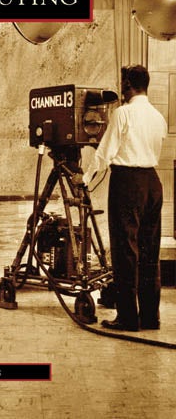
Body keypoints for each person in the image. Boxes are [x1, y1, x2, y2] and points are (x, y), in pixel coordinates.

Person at [81, 65, 167, 331]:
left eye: (122, 82)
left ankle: (128, 318)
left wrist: (84, 178)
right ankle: (150, 317)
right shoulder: (158, 116)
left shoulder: (123, 113)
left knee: (125, 251)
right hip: (152, 183)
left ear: (128, 84)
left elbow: (105, 152)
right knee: (149, 251)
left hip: (127, 182)